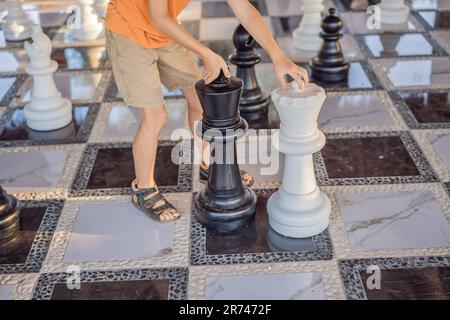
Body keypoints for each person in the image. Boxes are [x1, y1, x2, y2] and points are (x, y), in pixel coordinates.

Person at [105, 0, 309, 223]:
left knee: (200, 101)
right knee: (155, 116)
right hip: (129, 31)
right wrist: (206, 54)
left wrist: (278, 55)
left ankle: (208, 164)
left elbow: (244, 9)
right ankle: (143, 190)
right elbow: (159, 16)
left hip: (164, 33)